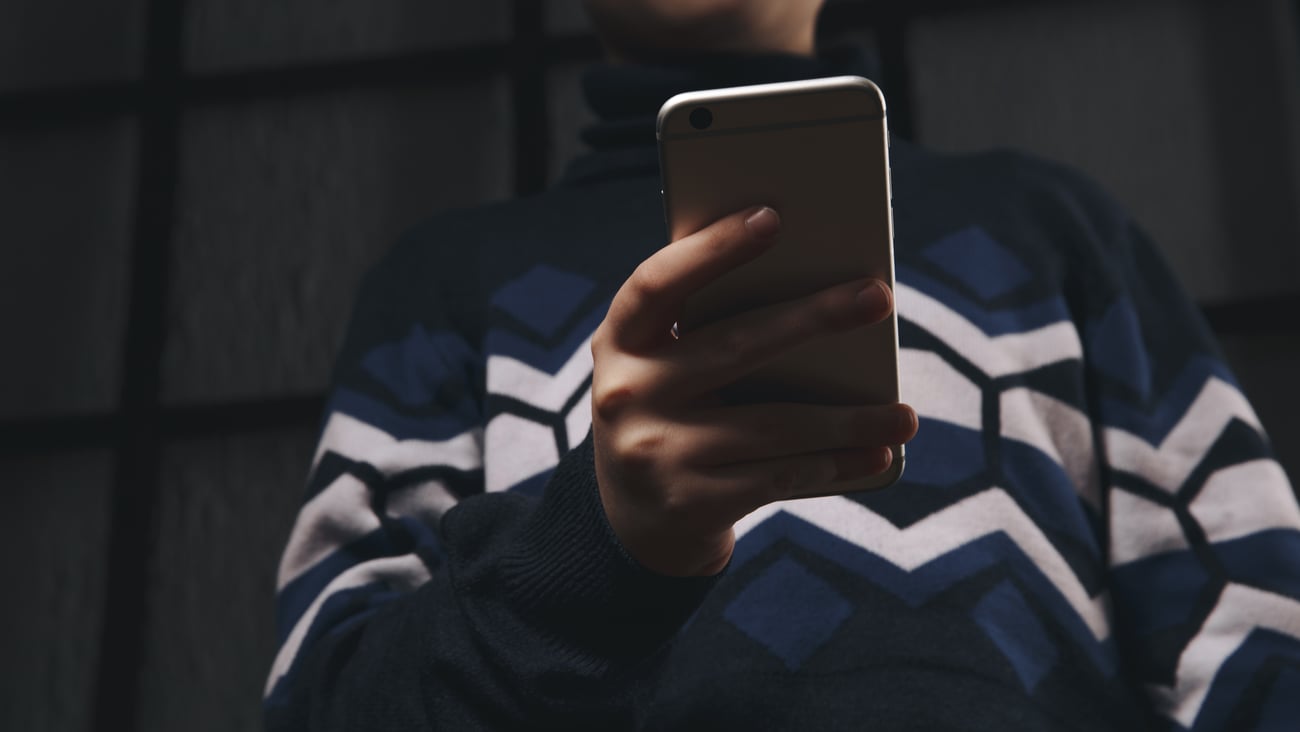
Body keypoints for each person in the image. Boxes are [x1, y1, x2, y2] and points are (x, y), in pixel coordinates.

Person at [263, 1, 1300, 729]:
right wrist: (594, 551)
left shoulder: (1047, 230)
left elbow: (1262, 644)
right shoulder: (446, 283)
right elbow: (330, 704)